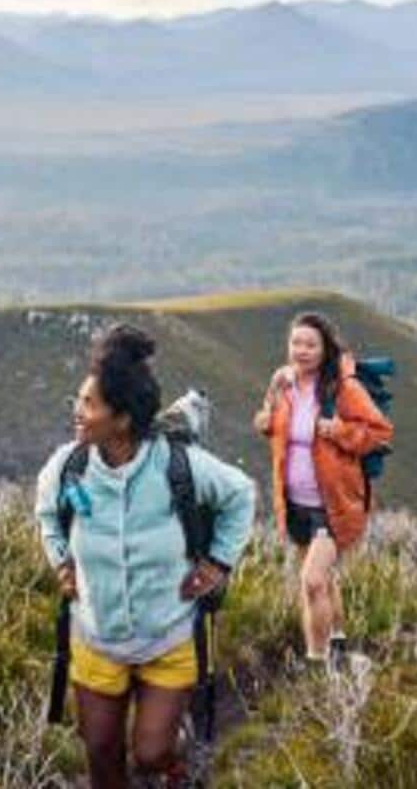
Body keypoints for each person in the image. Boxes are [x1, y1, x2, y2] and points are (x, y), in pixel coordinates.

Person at [36, 324, 256, 788]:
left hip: (167, 637)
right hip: (96, 636)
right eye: (79, 400)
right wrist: (60, 559)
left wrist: (218, 563)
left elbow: (241, 494)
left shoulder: (178, 466)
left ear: (122, 419)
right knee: (101, 752)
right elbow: (47, 516)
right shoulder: (67, 467)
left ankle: (175, 767)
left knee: (151, 753)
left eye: (88, 404)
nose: (77, 412)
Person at [252, 312, 393, 667]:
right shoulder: (282, 382)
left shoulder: (342, 388)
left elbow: (379, 431)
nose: (301, 350)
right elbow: (270, 420)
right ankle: (338, 643)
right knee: (323, 579)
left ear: (325, 348)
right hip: (294, 501)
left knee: (312, 581)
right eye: (296, 343)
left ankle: (315, 665)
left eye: (310, 344)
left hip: (335, 504)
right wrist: (265, 423)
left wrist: (339, 431)